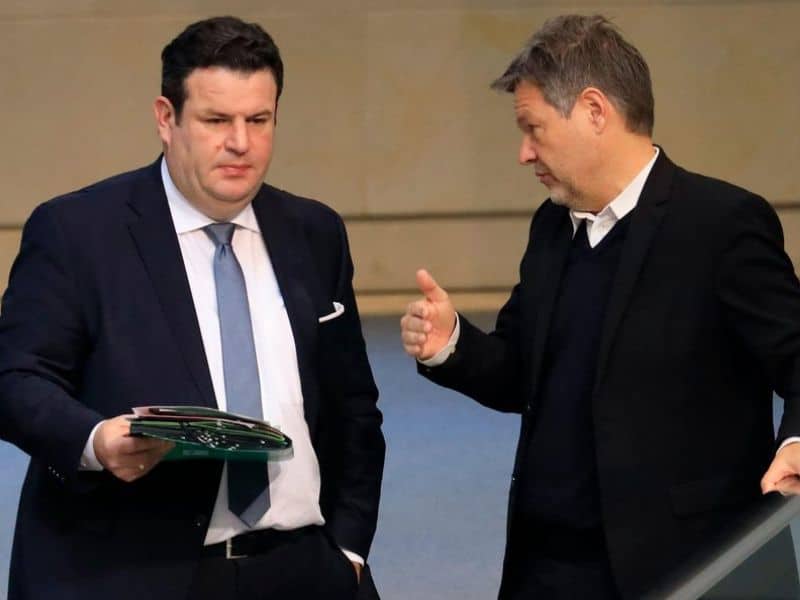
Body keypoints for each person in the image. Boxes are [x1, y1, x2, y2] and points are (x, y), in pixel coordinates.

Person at [400, 13, 800, 599]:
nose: (523, 153)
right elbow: (521, 372)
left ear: (593, 110)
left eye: (532, 129)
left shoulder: (721, 225)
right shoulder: (551, 228)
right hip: (548, 568)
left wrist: (794, 442)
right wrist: (452, 344)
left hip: (683, 568)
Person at [0, 16, 384, 600]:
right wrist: (95, 439)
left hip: (305, 570)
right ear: (166, 118)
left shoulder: (315, 231)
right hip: (135, 573)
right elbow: (16, 377)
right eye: (215, 120)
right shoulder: (78, 231)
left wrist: (349, 549)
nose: (240, 143)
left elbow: (353, 408)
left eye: (259, 120)